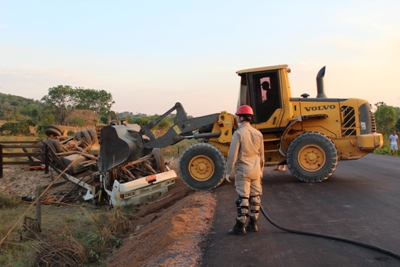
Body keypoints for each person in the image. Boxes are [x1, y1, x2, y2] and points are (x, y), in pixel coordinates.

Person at [225, 105, 265, 235]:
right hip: (255, 169)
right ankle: (253, 224)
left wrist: (228, 171)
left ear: (241, 117)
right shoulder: (258, 133)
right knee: (255, 197)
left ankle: (240, 225)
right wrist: (261, 171)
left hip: (243, 169)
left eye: (237, 116)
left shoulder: (238, 133)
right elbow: (262, 156)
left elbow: (232, 155)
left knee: (243, 197)